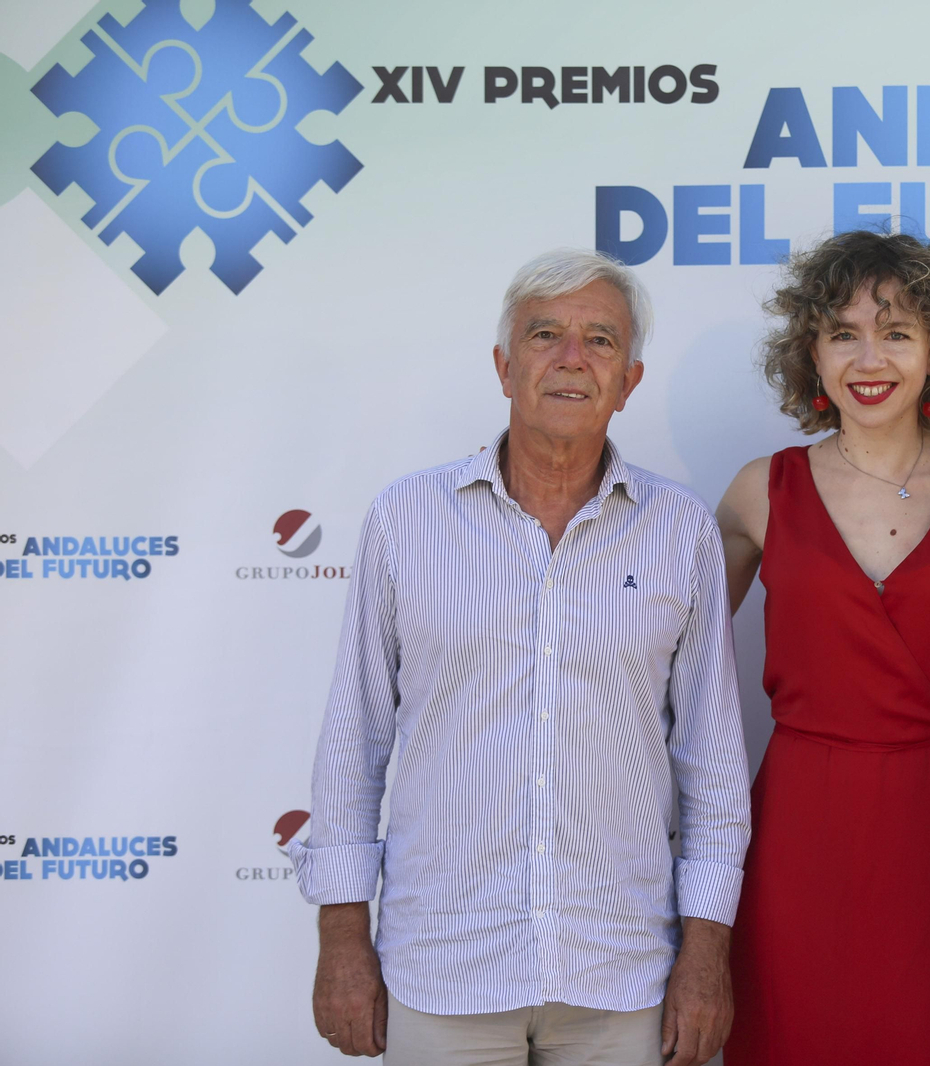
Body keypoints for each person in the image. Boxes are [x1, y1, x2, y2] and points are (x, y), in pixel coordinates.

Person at [288, 249, 751, 1066]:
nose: (573, 358)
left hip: (621, 973)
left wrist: (707, 958)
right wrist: (342, 940)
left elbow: (711, 766)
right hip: (442, 967)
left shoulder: (680, 533)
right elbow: (353, 743)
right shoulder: (406, 520)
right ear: (505, 367)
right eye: (546, 335)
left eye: (601, 340)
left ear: (631, 379)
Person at [715, 231, 930, 1066]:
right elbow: (671, 666)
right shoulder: (760, 489)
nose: (869, 357)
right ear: (810, 354)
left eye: (896, 332)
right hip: (801, 826)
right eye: (843, 332)